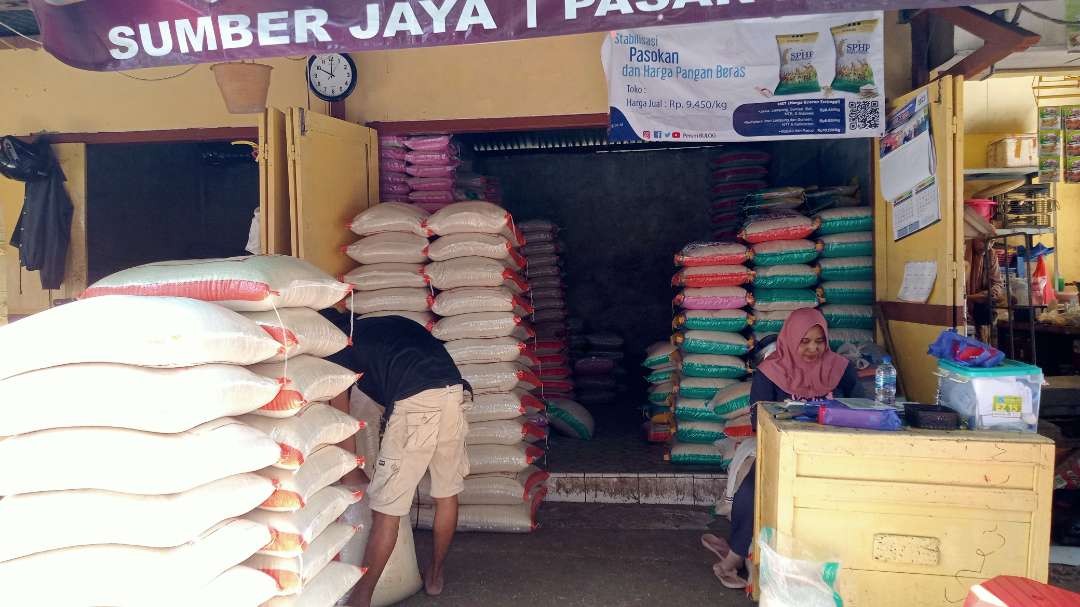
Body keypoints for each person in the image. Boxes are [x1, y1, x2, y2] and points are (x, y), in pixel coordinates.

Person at [703, 308, 867, 588]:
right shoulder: (770, 372)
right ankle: (735, 555)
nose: (813, 348)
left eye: (819, 341)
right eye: (805, 342)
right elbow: (759, 420)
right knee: (752, 488)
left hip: (834, 453)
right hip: (784, 451)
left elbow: (861, 408)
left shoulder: (840, 368)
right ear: (790, 339)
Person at [322, 310, 470, 606]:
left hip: (416, 403)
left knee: (387, 508)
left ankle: (361, 597)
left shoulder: (336, 347)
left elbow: (341, 415)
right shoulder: (384, 326)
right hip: (454, 391)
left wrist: (351, 468)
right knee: (447, 492)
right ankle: (435, 576)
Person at [965, 237, 1005, 343]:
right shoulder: (962, 250)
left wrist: (992, 293)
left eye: (992, 242)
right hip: (963, 308)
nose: (987, 246)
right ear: (974, 238)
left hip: (981, 309)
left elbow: (997, 282)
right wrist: (967, 299)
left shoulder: (991, 254)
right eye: (983, 241)